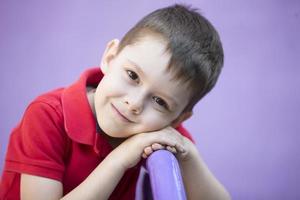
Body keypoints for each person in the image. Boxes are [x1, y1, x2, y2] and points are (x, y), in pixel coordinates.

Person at [0, 4, 231, 200]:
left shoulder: (160, 129)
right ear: (110, 57)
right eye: (132, 76)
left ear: (177, 118)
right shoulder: (47, 115)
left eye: (160, 101)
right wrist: (120, 158)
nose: (134, 104)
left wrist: (188, 153)